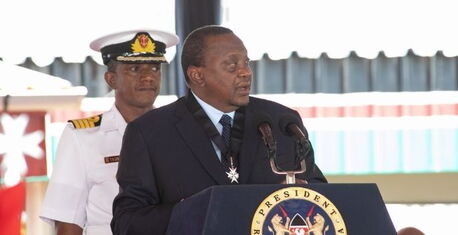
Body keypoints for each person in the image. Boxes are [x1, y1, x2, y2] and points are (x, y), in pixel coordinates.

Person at [111, 25, 327, 235]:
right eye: (232, 66)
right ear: (197, 76)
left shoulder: (283, 122)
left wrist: (297, 196)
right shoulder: (150, 132)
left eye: (246, 63)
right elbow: (127, 222)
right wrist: (193, 209)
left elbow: (320, 192)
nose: (245, 73)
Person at [40, 29, 179, 235]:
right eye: (134, 68)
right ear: (111, 79)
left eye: (155, 68)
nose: (148, 76)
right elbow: (68, 221)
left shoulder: (177, 133)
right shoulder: (81, 137)